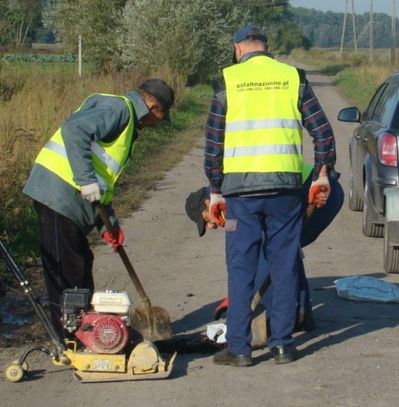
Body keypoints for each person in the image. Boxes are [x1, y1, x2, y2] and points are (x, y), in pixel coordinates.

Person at [203, 24, 336, 366]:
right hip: (286, 192)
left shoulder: (227, 82)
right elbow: (323, 133)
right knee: (284, 264)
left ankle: (239, 349)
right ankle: (282, 345)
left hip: (240, 195)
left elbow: (213, 145)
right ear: (267, 47)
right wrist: (322, 173)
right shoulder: (293, 78)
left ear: (238, 49)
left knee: (241, 267)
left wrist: (215, 190)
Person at [23, 79, 174, 338]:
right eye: (160, 117)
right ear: (152, 105)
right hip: (58, 194)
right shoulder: (120, 110)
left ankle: (81, 331)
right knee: (67, 270)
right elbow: (74, 130)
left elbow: (103, 177)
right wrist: (86, 181)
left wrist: (109, 224)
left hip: (69, 198)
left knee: (80, 264)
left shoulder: (124, 118)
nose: (156, 124)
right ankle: (68, 339)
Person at [185, 163, 344, 331]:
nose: (210, 226)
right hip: (325, 189)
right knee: (285, 251)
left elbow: (244, 251)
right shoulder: (224, 197)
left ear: (207, 202)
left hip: (319, 193)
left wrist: (240, 300)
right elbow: (237, 238)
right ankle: (301, 314)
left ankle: (283, 317)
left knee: (273, 251)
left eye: (205, 220)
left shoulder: (226, 195)